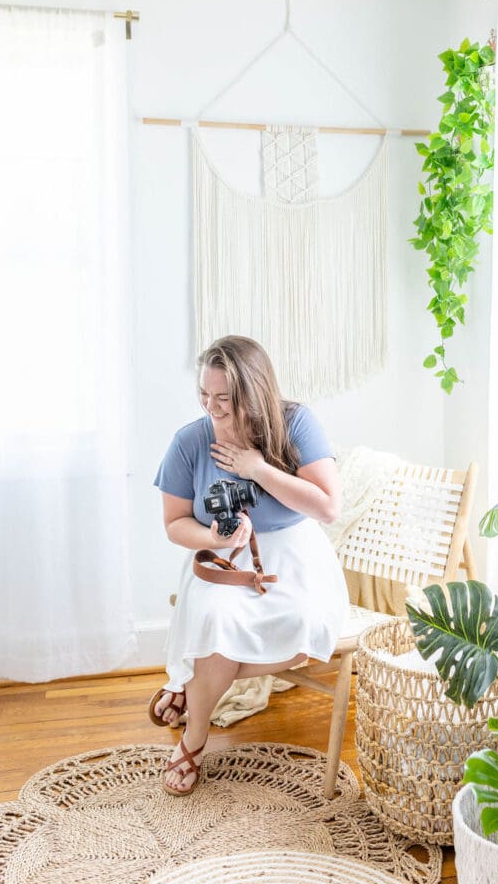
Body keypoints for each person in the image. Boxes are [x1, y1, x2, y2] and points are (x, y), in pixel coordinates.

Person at [150, 335, 349, 795]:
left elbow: (328, 508)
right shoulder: (190, 442)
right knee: (218, 620)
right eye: (204, 393)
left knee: (302, 628)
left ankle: (190, 683)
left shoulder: (296, 423)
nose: (211, 406)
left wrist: (256, 468)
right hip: (225, 561)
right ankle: (195, 735)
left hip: (296, 559)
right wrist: (214, 536)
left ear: (254, 391)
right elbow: (175, 523)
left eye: (224, 397)